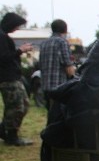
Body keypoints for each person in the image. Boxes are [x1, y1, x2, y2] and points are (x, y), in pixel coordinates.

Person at [0, 12, 34, 145]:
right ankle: (11, 135)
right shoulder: (2, 37)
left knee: (22, 104)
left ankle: (4, 129)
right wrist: (20, 51)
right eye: (17, 26)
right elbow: (3, 58)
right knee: (17, 107)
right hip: (7, 78)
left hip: (12, 77)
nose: (17, 29)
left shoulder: (4, 36)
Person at [38, 19, 75, 110]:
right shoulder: (62, 42)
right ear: (65, 30)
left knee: (51, 114)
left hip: (46, 85)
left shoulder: (44, 43)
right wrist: (74, 79)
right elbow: (68, 65)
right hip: (59, 87)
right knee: (59, 115)